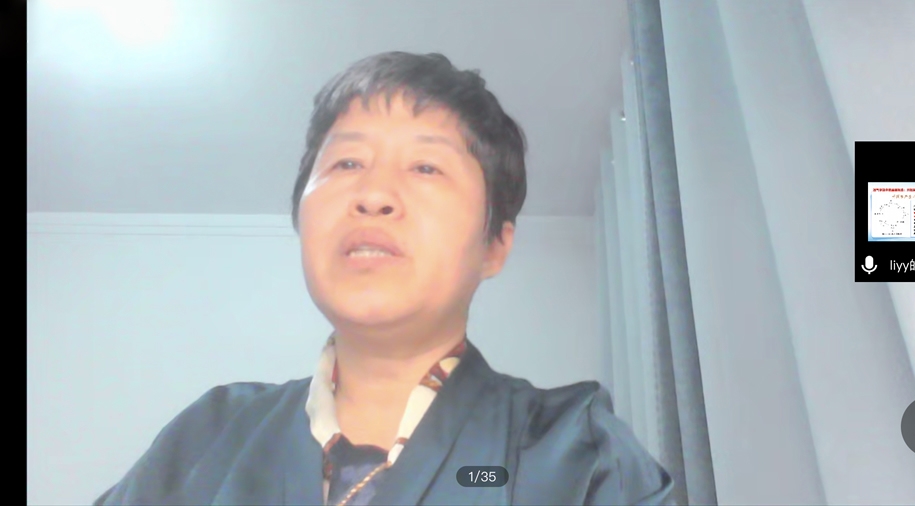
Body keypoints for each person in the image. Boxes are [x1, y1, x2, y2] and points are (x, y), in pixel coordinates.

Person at [94, 51, 673, 506]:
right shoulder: (209, 436)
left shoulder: (576, 452)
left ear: (495, 245)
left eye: (426, 167)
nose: (373, 195)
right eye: (346, 163)